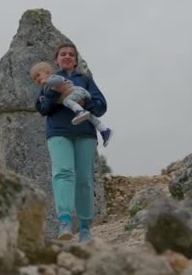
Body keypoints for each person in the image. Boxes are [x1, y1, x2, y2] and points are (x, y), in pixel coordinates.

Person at [34, 43, 109, 244]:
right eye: (63, 54)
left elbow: (101, 106)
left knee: (84, 180)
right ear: (56, 59)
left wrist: (87, 103)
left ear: (75, 60)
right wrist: (54, 93)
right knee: (63, 173)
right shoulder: (48, 80)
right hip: (58, 133)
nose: (67, 57)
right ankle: (65, 222)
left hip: (85, 133)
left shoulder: (85, 80)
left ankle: (85, 229)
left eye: (71, 54)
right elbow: (43, 108)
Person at [30, 61, 113, 146]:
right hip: (75, 96)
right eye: (34, 78)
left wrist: (47, 82)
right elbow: (43, 106)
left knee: (67, 102)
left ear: (47, 73)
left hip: (78, 92)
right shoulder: (45, 89)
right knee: (88, 116)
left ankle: (80, 112)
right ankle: (104, 130)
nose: (37, 79)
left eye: (38, 75)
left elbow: (58, 81)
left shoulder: (53, 78)